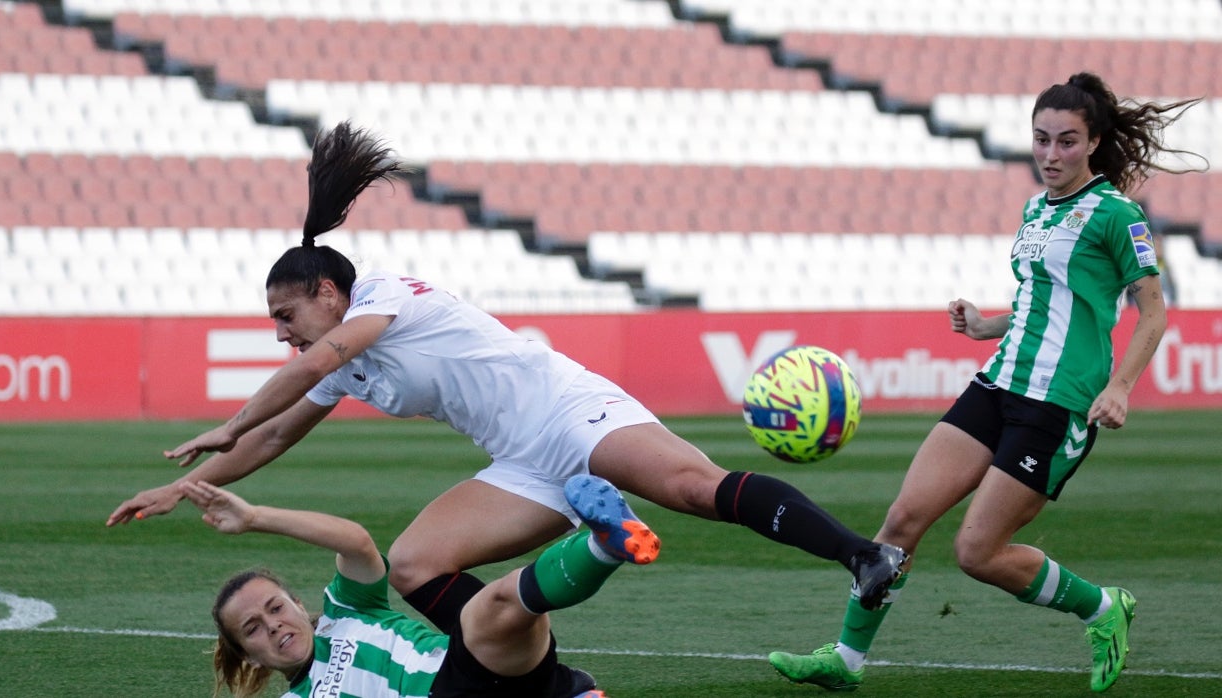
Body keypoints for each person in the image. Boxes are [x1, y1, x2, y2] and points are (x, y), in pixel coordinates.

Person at [106, 121, 906, 637]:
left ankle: (863, 556)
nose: (282, 334)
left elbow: (316, 363)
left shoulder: (381, 295)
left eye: (285, 315)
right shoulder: (338, 358)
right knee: (415, 565)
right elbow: (281, 431)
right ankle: (519, 656)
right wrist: (188, 485)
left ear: (327, 292)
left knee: (694, 489)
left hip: (570, 408)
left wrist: (229, 422)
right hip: (520, 461)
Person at [768, 72, 1205, 694]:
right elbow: (1042, 302)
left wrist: (1122, 386)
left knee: (978, 553)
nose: (1051, 155)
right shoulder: (1034, 209)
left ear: (1094, 142)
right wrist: (985, 326)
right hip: (996, 383)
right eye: (1042, 140)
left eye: (1067, 142)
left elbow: (1154, 311)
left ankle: (1102, 607)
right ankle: (846, 659)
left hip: (1057, 404)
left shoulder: (1116, 214)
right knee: (900, 522)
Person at [189, 473, 654, 697]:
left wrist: (255, 518)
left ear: (296, 602)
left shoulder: (346, 612)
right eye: (251, 628)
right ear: (248, 655)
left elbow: (357, 543)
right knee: (487, 614)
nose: (272, 626)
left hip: (473, 670)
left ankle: (607, 545)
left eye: (274, 607)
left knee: (494, 605)